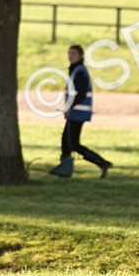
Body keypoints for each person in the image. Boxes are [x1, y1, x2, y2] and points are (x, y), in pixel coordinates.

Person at [48, 45, 112, 179]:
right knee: (66, 141)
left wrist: (70, 106)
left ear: (81, 56)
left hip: (78, 113)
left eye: (74, 53)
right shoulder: (75, 70)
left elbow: (81, 93)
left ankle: (103, 163)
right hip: (75, 112)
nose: (70, 56)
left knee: (73, 144)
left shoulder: (80, 71)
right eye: (69, 53)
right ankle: (64, 171)